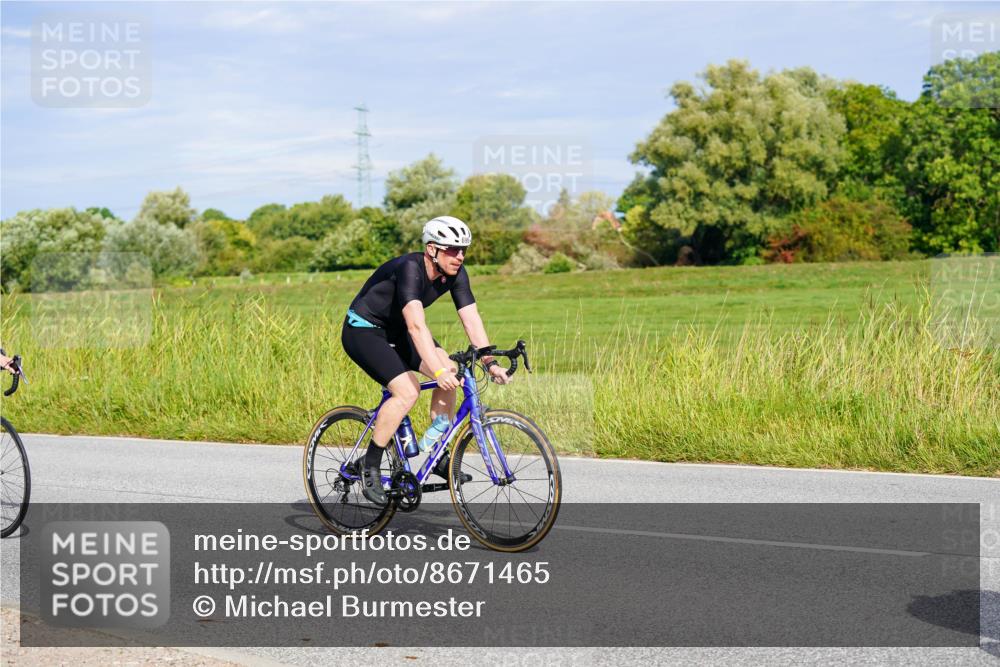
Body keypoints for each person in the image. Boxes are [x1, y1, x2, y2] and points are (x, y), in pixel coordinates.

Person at [341, 216, 511, 505]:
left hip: (396, 330)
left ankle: (436, 453)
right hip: (364, 330)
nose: (460, 256)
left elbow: (471, 319)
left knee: (453, 372)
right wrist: (437, 369)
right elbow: (417, 327)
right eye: (452, 249)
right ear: (432, 249)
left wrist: (489, 362)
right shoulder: (410, 268)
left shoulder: (457, 273)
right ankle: (370, 465)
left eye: (463, 250)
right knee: (408, 390)